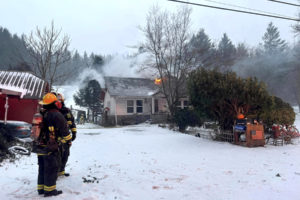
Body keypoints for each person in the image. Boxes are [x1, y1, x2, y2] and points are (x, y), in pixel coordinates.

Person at [36, 93, 71, 197]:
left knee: (42, 167)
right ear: (55, 103)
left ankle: (41, 189)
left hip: (40, 145)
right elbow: (65, 132)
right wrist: (67, 140)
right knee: (51, 168)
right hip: (50, 147)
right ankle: (50, 191)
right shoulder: (56, 114)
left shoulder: (42, 113)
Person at [52, 92, 77, 177]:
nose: (58, 102)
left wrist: (74, 132)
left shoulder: (67, 111)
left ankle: (61, 171)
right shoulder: (53, 111)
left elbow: (72, 122)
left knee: (65, 154)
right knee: (56, 156)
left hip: (66, 137)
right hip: (55, 138)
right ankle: (54, 172)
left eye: (60, 100)